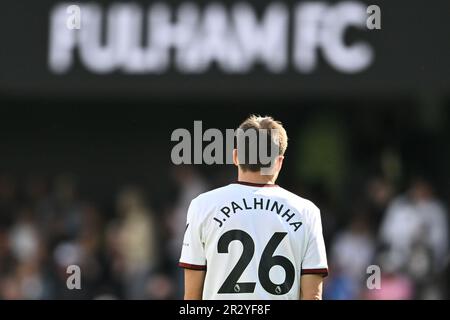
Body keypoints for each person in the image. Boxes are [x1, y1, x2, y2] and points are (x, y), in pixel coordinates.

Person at [179, 115, 328, 300]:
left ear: (235, 157)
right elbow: (313, 296)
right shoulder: (307, 211)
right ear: (279, 162)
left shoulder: (201, 205)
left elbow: (192, 296)